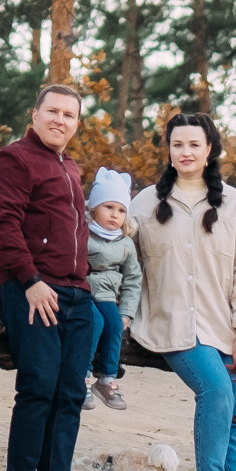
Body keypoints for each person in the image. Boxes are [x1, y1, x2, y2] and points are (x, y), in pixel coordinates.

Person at [128, 110, 236, 471]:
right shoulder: (146, 203)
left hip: (224, 328)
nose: (186, 151)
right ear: (169, 150)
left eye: (194, 144)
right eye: (178, 144)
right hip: (169, 325)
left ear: (210, 150)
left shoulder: (234, 205)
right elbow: (112, 246)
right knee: (216, 390)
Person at [0, 83, 99, 471]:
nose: (60, 120)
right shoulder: (12, 160)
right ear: (35, 114)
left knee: (71, 394)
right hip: (29, 288)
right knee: (40, 386)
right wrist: (30, 281)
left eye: (69, 115)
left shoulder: (70, 167)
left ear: (76, 124)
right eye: (53, 111)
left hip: (75, 294)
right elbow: (1, 225)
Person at [83, 167, 142, 409]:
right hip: (83, 293)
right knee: (93, 322)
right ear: (94, 208)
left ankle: (106, 379)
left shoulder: (126, 243)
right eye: (108, 207)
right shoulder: (83, 235)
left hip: (108, 297)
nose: (114, 215)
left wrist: (127, 312)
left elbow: (133, 279)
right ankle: (82, 376)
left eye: (120, 210)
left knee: (115, 324)